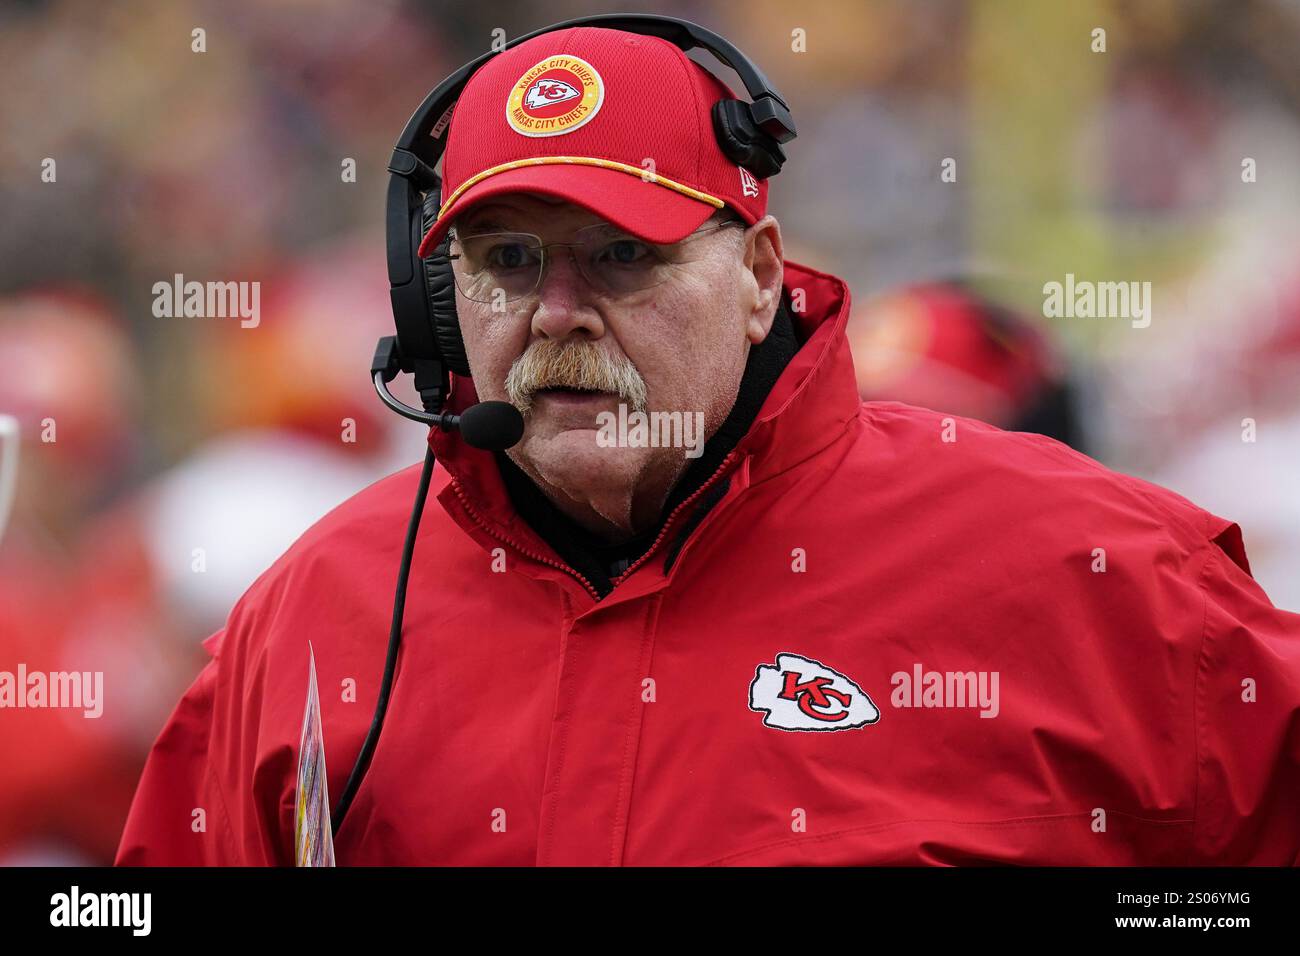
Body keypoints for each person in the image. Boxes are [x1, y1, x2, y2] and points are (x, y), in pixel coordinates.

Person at [117, 22, 1299, 866]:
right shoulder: (311, 617)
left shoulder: (1092, 568)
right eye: (509, 261)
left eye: (623, 254)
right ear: (439, 305)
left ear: (759, 278)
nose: (560, 312)